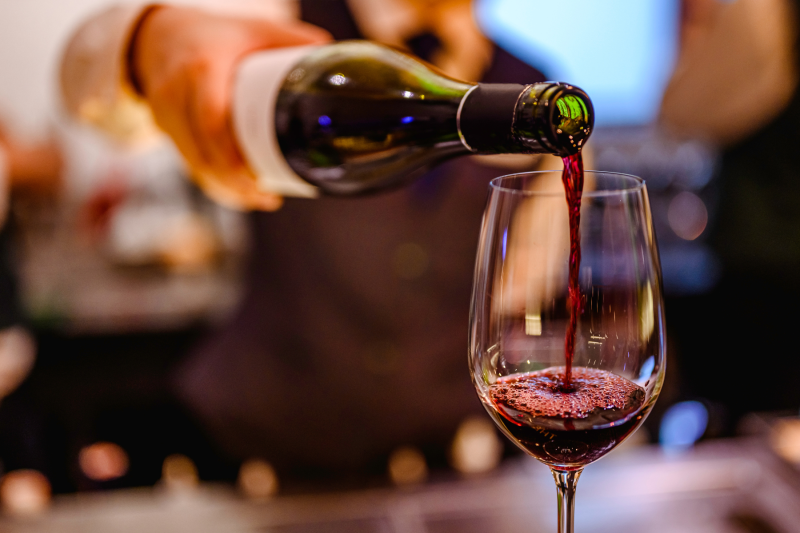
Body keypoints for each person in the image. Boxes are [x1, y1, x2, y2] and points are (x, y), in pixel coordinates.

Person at [60, 0, 558, 483]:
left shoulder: (534, 91)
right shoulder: (283, 27)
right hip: (261, 460)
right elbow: (81, 77)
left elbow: (521, 289)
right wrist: (148, 40)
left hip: (446, 470)